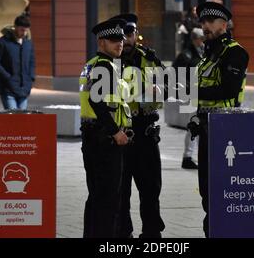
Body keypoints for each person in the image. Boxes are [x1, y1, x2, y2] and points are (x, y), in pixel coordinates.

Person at [193, 1, 249, 237]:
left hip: (226, 129)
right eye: (202, 22)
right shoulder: (208, 54)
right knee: (207, 190)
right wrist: (194, 117)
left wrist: (187, 91)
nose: (204, 26)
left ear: (223, 24)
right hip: (207, 128)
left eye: (210, 22)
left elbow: (228, 90)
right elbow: (202, 88)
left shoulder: (234, 52)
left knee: (221, 188)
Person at [111, 13, 166, 238]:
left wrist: (153, 92)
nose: (126, 39)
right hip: (119, 134)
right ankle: (123, 234)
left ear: (136, 34)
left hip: (144, 132)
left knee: (150, 190)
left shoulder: (150, 59)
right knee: (120, 191)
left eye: (130, 33)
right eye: (122, 35)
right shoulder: (108, 61)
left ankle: (152, 234)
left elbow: (161, 95)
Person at [79, 18, 133, 238]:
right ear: (101, 42)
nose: (119, 44)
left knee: (96, 197)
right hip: (104, 141)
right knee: (108, 200)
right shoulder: (104, 67)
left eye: (120, 39)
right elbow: (97, 102)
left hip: (92, 137)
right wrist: (115, 132)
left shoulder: (94, 64)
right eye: (113, 40)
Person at [173, 27, 205, 169]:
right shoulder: (186, 55)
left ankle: (194, 156)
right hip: (192, 94)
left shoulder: (202, 53)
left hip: (201, 95)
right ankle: (188, 157)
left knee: (198, 126)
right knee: (194, 125)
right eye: (201, 39)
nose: (203, 41)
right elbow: (174, 73)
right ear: (195, 39)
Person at [0, 15, 35, 110]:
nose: (24, 33)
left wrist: (31, 77)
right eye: (22, 30)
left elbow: (32, 61)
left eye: (26, 30)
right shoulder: (2, 42)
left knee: (22, 119)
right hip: (8, 88)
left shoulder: (28, 43)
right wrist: (7, 77)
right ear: (16, 27)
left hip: (24, 87)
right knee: (12, 118)